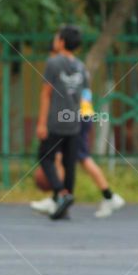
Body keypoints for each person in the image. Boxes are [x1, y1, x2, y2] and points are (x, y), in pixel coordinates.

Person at [31, 39, 126, 218]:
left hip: (77, 119)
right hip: (81, 116)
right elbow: (85, 93)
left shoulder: (59, 65)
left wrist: (81, 116)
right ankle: (58, 199)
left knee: (81, 158)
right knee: (65, 159)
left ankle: (108, 196)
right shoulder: (79, 67)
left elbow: (50, 94)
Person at [34, 25, 89, 220]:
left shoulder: (53, 63)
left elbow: (46, 94)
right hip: (74, 122)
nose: (55, 41)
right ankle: (64, 204)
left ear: (62, 42)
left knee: (45, 157)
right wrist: (86, 120)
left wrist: (42, 123)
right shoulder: (82, 67)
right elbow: (86, 96)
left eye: (57, 38)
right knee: (69, 163)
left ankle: (61, 193)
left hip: (56, 121)